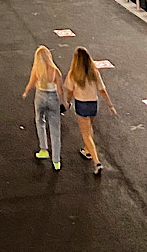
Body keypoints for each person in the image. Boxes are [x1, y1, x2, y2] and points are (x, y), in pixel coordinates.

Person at [65, 46, 116, 174]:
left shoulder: (73, 74)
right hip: (93, 104)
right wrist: (110, 105)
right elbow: (102, 90)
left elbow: (70, 91)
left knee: (85, 134)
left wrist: (67, 102)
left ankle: (96, 161)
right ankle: (87, 150)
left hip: (81, 104)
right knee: (89, 128)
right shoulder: (94, 73)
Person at [21, 45, 65, 170]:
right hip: (53, 98)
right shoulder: (55, 71)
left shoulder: (37, 69)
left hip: (40, 96)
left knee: (40, 121)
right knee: (55, 129)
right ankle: (56, 160)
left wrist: (26, 91)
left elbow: (31, 82)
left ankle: (43, 149)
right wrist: (64, 102)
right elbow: (60, 90)